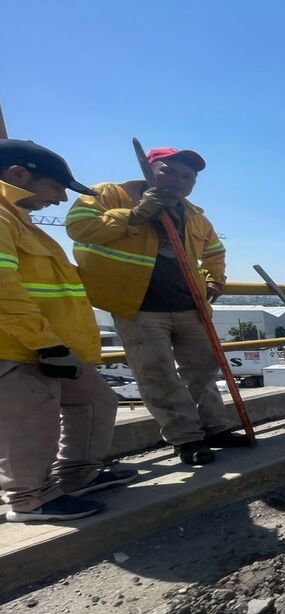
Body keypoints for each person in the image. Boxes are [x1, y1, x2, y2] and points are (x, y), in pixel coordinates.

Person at [66, 147, 247, 466]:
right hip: (138, 305)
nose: (178, 180)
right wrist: (135, 215)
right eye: (169, 171)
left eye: (186, 176)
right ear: (149, 170)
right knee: (158, 373)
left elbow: (215, 251)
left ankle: (215, 428)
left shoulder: (194, 215)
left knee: (204, 368)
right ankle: (186, 438)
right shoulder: (112, 194)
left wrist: (215, 281)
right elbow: (79, 227)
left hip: (190, 303)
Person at [1, 140, 136, 522]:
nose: (61, 199)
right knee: (29, 418)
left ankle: (79, 474)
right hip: (18, 344)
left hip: (49, 344)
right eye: (56, 187)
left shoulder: (17, 220)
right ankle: (30, 499)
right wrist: (45, 344)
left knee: (95, 401)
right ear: (18, 175)